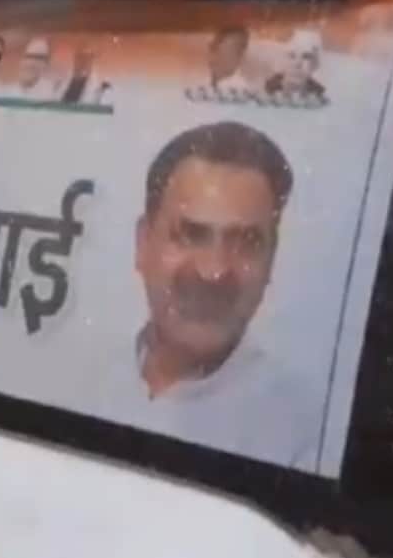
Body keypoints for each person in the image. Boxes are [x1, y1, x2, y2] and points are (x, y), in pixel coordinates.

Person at [120, 120, 315, 466]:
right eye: (191, 234)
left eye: (247, 242)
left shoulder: (303, 440)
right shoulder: (75, 379)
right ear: (143, 243)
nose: (214, 271)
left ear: (272, 259)